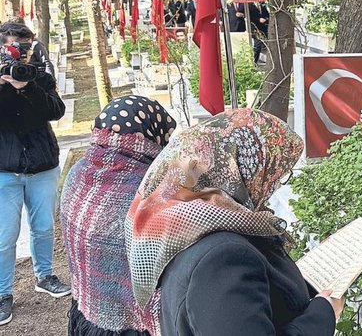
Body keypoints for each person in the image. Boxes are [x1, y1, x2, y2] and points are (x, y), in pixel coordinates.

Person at [126, 109, 343, 336]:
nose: (275, 184)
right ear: (240, 169)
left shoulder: (188, 225)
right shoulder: (222, 258)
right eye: (275, 172)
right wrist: (323, 314)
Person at [60, 96, 176, 336]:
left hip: (86, 311)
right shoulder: (151, 191)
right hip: (133, 325)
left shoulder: (77, 172)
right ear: (153, 135)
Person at [0, 33, 69, 327]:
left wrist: (27, 87)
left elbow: (57, 111)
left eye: (24, 48)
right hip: (4, 169)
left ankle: (45, 275)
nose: (19, 55)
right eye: (12, 47)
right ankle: (3, 293)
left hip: (42, 165)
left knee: (43, 227)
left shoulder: (39, 74)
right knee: (4, 236)